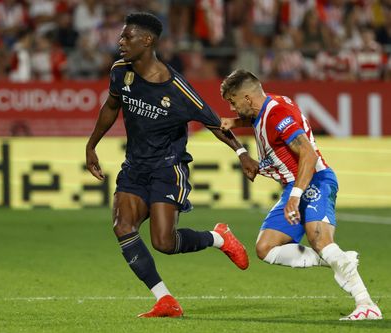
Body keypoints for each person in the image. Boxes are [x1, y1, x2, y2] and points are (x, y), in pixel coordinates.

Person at [85, 13, 258, 318]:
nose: (120, 42)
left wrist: (241, 152)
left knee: (164, 243)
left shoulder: (177, 89)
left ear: (147, 41)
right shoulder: (120, 71)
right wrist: (91, 145)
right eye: (122, 37)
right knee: (122, 227)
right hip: (135, 167)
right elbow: (111, 106)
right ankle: (165, 299)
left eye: (127, 37)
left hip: (168, 168)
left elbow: (214, 123)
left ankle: (219, 237)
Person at [219, 69, 383, 321]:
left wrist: (296, 195)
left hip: (314, 180)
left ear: (248, 98)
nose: (232, 108)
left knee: (320, 241)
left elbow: (308, 154)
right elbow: (259, 120)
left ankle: (366, 304)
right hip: (294, 186)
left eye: (233, 101)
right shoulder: (270, 104)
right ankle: (337, 260)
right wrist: (236, 123)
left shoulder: (278, 113)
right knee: (266, 248)